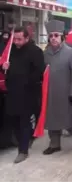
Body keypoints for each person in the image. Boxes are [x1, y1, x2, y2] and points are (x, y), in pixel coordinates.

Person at [2, 27, 45, 163]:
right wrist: (4, 67)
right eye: (15, 39)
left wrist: (24, 81)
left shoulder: (35, 51)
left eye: (19, 39)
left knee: (24, 122)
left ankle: (23, 150)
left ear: (27, 38)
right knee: (13, 120)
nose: (16, 42)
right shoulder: (11, 50)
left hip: (27, 93)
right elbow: (4, 66)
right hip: (12, 92)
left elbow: (39, 71)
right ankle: (23, 142)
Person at [42, 20, 72, 155]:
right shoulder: (46, 53)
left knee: (68, 119)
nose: (53, 38)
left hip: (66, 92)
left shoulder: (71, 53)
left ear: (62, 37)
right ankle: (54, 144)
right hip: (51, 92)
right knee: (51, 119)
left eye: (56, 35)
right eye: (51, 36)